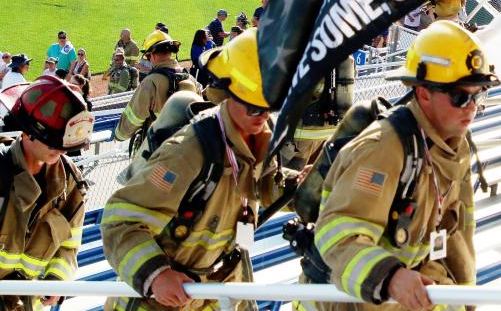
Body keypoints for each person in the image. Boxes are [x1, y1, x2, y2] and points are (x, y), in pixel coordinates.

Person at [297, 21, 492, 311]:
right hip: (348, 300)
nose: (471, 107)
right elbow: (336, 232)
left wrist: (466, 300)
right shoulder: (383, 148)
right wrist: (389, 277)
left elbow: (459, 233)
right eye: (461, 96)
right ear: (424, 93)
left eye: (479, 95)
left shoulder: (457, 146)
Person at [102, 29, 293, 311]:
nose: (263, 117)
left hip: (220, 287)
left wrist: (299, 185)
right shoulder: (187, 151)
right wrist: (157, 275)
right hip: (165, 299)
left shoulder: (261, 135)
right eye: (254, 108)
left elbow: (264, 186)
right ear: (229, 94)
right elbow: (119, 221)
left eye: (271, 107)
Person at [0, 76, 91, 310]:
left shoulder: (70, 184)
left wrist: (57, 280)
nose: (61, 150)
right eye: (54, 143)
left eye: (66, 145)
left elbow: (70, 245)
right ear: (29, 131)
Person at [114, 30, 199, 154]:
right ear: (170, 52)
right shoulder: (189, 78)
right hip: (187, 151)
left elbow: (134, 117)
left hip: (158, 154)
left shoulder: (151, 82)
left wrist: (119, 135)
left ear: (152, 56)